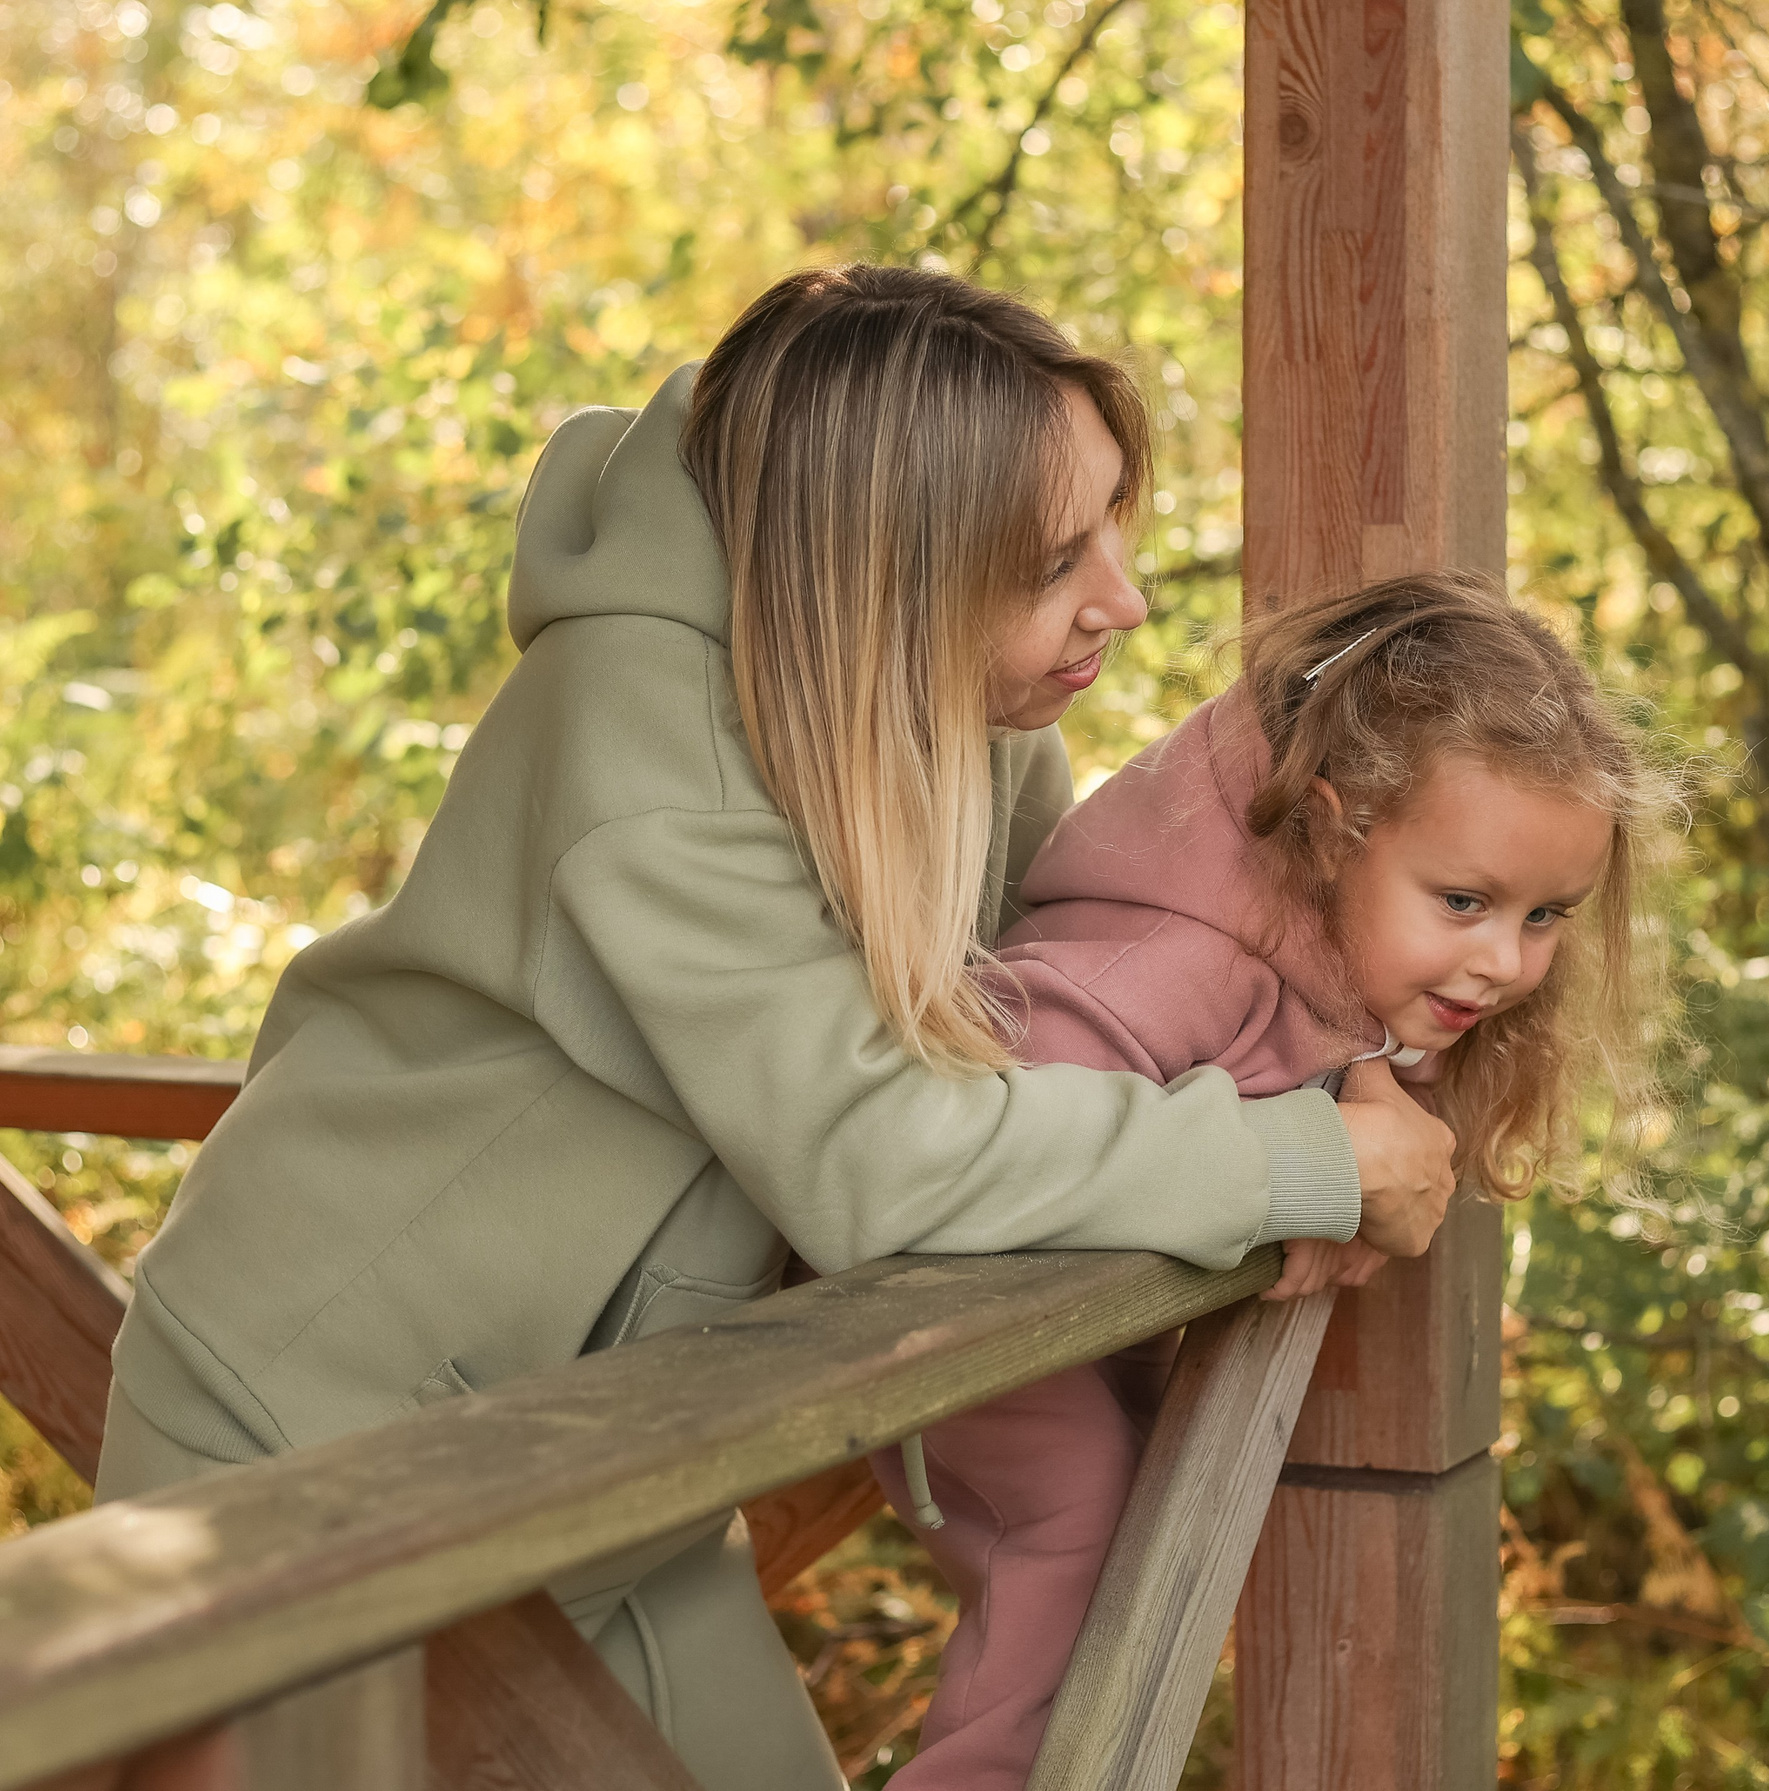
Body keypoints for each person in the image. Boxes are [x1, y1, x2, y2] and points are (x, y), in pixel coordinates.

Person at [91, 264, 1458, 1791]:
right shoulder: (644, 736)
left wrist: (1339, 1052)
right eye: (1053, 558)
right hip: (309, 1429)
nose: (1124, 598)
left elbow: (1057, 1035)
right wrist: (1302, 1164)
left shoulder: (973, 721)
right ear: (888, 566)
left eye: (1115, 529)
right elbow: (878, 1152)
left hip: (621, 1448)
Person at [870, 569, 1669, 1789]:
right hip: (945, 1306)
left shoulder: (1337, 963)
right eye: (1464, 902)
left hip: (1086, 1328)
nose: (1505, 962)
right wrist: (1305, 1161)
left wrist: (1346, 1136)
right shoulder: (1162, 963)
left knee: (1138, 1560)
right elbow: (993, 1137)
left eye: (1547, 916)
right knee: (1074, 1523)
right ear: (1334, 833)